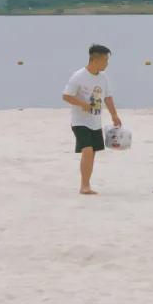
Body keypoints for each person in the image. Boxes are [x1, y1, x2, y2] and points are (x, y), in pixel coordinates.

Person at [61, 44, 121, 195]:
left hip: (95, 122)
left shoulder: (103, 77)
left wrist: (114, 115)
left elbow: (107, 97)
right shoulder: (78, 76)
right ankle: (84, 186)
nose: (107, 63)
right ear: (96, 60)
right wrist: (83, 104)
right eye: (105, 60)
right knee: (87, 150)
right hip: (80, 122)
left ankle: (86, 184)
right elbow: (66, 96)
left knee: (92, 153)